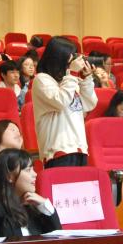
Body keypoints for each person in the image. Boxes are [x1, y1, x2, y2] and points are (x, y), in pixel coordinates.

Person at [32, 37, 98, 168]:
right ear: (59, 57)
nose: (74, 60)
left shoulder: (69, 80)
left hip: (79, 148)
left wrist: (86, 79)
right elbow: (60, 101)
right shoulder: (42, 80)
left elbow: (89, 104)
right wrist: (72, 74)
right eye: (71, 56)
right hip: (58, 151)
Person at [0, 149, 61, 238]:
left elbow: (58, 239)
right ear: (9, 176)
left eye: (33, 169)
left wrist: (44, 205)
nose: (35, 174)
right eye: (28, 170)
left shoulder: (33, 205)